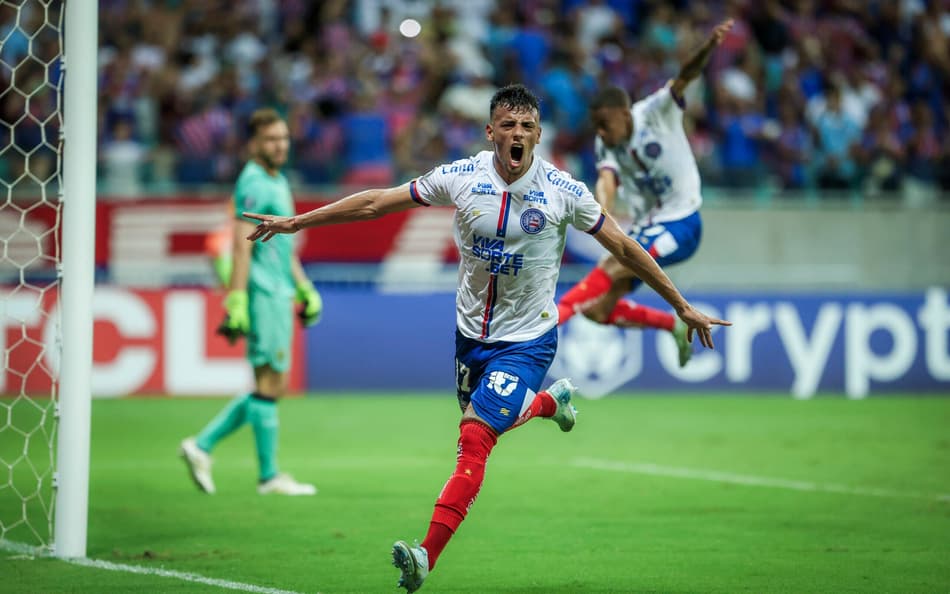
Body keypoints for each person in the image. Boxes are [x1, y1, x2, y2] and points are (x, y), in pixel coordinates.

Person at [243, 85, 730, 591]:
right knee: (481, 421)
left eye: (526, 127)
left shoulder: (563, 191)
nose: (517, 135)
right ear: (490, 131)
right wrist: (298, 222)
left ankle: (424, 556)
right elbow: (375, 203)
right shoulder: (461, 176)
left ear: (538, 135)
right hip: (470, 337)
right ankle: (547, 405)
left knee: (474, 439)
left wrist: (679, 304)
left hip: (529, 340)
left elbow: (625, 249)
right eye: (507, 125)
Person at [557, 19, 735, 368]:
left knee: (613, 264)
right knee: (598, 310)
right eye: (597, 127)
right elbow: (607, 180)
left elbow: (685, 75)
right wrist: (601, 210)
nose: (602, 134)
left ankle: (550, 319)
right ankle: (670, 324)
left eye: (606, 125)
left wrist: (707, 47)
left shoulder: (656, 112)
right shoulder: (606, 143)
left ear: (625, 115)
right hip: (645, 228)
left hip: (681, 222)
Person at [179, 108, 324, 496]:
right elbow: (241, 249)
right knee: (269, 382)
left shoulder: (275, 180)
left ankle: (204, 446)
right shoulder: (254, 182)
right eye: (271, 139)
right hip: (262, 294)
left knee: (269, 384)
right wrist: (238, 298)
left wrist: (303, 287)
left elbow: (282, 246)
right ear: (253, 143)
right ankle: (267, 475)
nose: (280, 145)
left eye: (283, 138)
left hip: (277, 291)